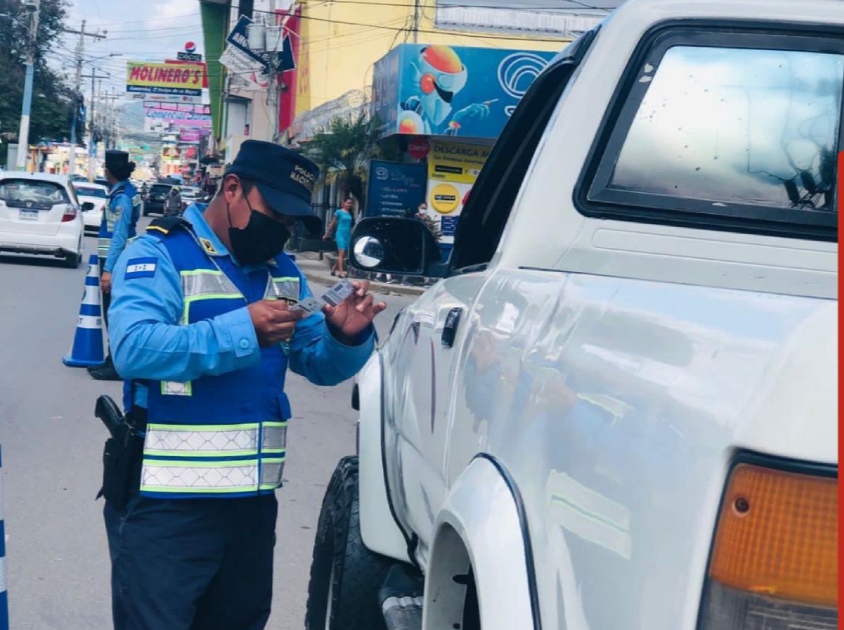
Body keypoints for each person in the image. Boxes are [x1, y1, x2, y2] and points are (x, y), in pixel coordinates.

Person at [103, 140, 387, 630]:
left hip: (251, 512)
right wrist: (243, 329)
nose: (281, 233)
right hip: (164, 508)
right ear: (232, 189)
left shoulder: (284, 274)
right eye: (274, 216)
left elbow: (318, 363)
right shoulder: (159, 253)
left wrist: (346, 335)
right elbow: (133, 348)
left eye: (291, 225)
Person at [88, 150, 142, 381]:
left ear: (109, 171)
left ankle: (117, 363)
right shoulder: (123, 192)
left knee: (114, 313)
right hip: (117, 259)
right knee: (113, 311)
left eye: (104, 168)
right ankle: (112, 359)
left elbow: (118, 236)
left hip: (116, 261)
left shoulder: (122, 197)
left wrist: (108, 270)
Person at [323, 197, 354, 278]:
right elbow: (332, 223)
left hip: (347, 235)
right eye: (348, 203)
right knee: (342, 252)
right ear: (343, 203)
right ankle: (341, 272)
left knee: (342, 255)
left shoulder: (350, 213)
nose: (349, 205)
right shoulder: (338, 212)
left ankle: (333, 269)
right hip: (340, 234)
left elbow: (350, 226)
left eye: (350, 203)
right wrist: (326, 233)